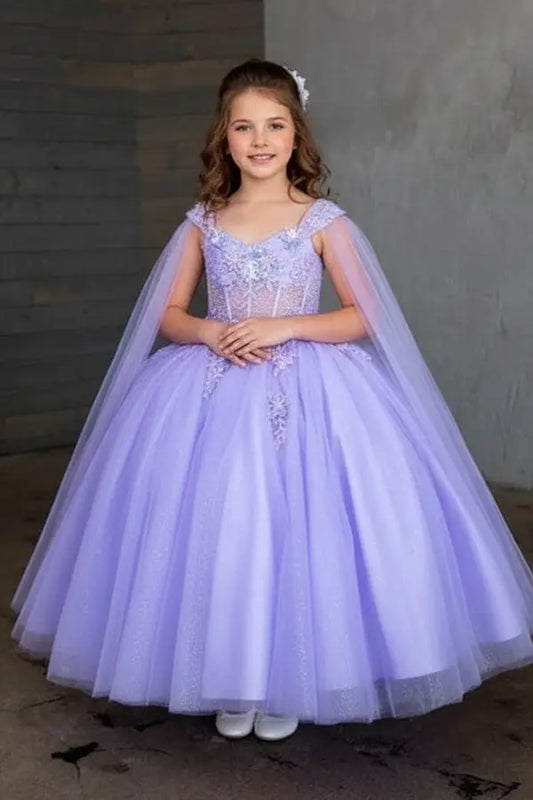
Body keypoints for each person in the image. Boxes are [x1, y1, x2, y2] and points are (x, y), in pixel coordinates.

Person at [10, 58, 533, 743]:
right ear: (223, 139)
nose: (259, 139)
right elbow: (167, 311)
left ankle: (286, 678)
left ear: (295, 135)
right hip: (209, 388)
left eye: (274, 125)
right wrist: (208, 330)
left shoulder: (321, 220)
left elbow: (363, 314)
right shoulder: (204, 220)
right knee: (221, 531)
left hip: (312, 389)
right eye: (243, 127)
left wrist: (284, 323)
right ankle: (232, 678)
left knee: (302, 531)